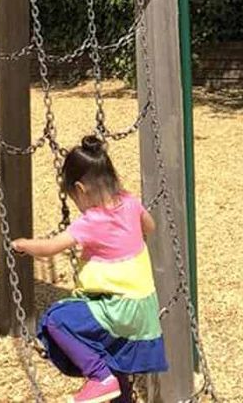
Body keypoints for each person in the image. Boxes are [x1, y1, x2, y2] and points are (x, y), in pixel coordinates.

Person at [12, 135, 167, 403]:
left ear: (81, 190)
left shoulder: (92, 221)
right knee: (114, 355)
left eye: (74, 198)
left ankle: (99, 377)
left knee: (56, 319)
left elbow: (52, 247)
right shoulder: (130, 202)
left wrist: (24, 244)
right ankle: (118, 391)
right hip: (144, 310)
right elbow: (150, 226)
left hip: (118, 308)